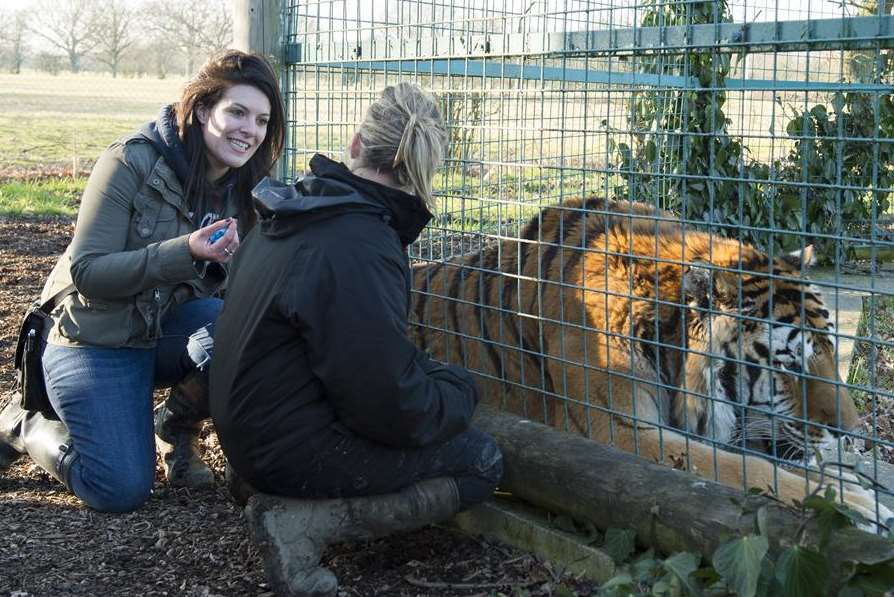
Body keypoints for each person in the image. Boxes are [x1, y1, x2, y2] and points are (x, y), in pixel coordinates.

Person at [209, 82, 503, 596]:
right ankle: (302, 525)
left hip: (247, 434)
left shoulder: (298, 206)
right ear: (425, 170)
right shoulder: (360, 244)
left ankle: (271, 487)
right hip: (283, 449)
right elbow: (389, 409)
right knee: (480, 460)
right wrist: (459, 392)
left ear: (353, 146)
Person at [0, 49, 285, 513]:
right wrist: (185, 252)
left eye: (261, 120)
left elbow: (240, 294)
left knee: (243, 328)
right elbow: (88, 273)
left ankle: (175, 428)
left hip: (161, 334)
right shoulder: (130, 161)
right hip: (92, 340)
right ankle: (23, 423)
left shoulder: (246, 189)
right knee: (120, 488)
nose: (249, 130)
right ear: (200, 109)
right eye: (237, 111)